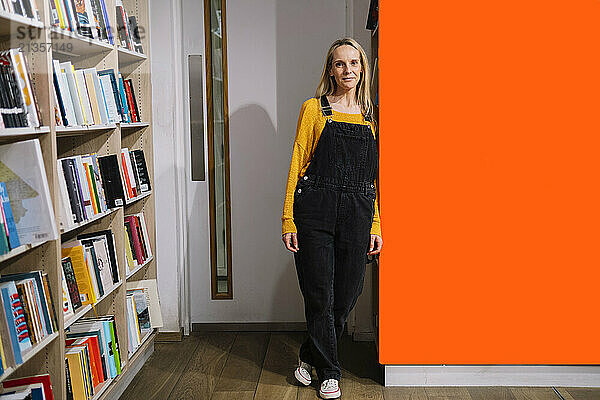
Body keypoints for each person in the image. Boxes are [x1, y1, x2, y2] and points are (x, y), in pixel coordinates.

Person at [281, 37, 383, 399]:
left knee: (347, 293)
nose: (348, 71)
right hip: (315, 211)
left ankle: (310, 356)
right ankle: (330, 372)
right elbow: (297, 164)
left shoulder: (373, 118)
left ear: (363, 69)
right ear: (330, 69)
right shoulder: (313, 110)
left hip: (357, 213)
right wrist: (288, 220)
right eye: (340, 64)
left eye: (354, 63)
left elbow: (374, 179)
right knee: (319, 294)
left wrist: (375, 224)